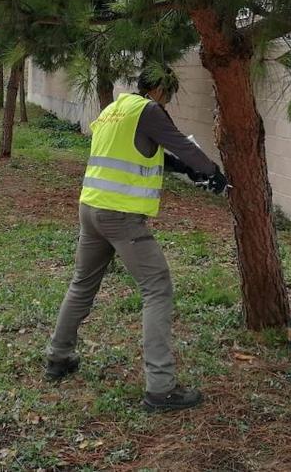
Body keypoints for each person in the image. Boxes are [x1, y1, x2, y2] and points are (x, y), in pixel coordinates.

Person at [45, 69, 227, 412]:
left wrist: (182, 169)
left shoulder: (114, 109)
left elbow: (139, 153)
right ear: (159, 89)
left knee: (82, 283)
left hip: (91, 208)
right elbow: (180, 143)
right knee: (157, 287)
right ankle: (161, 388)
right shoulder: (148, 110)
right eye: (168, 94)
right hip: (120, 216)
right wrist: (210, 171)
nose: (168, 101)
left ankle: (59, 357)